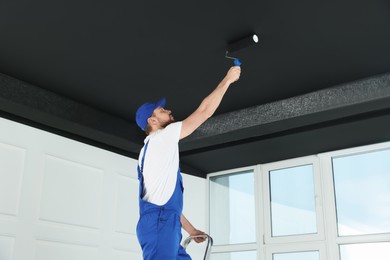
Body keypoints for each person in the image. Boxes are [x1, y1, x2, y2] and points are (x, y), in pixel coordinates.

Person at [135, 65, 241, 259]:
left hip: (163, 223)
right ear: (152, 121)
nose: (168, 110)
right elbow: (205, 111)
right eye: (162, 110)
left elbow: (164, 203)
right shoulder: (162, 138)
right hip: (160, 226)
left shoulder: (149, 151)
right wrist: (227, 80)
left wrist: (190, 229)